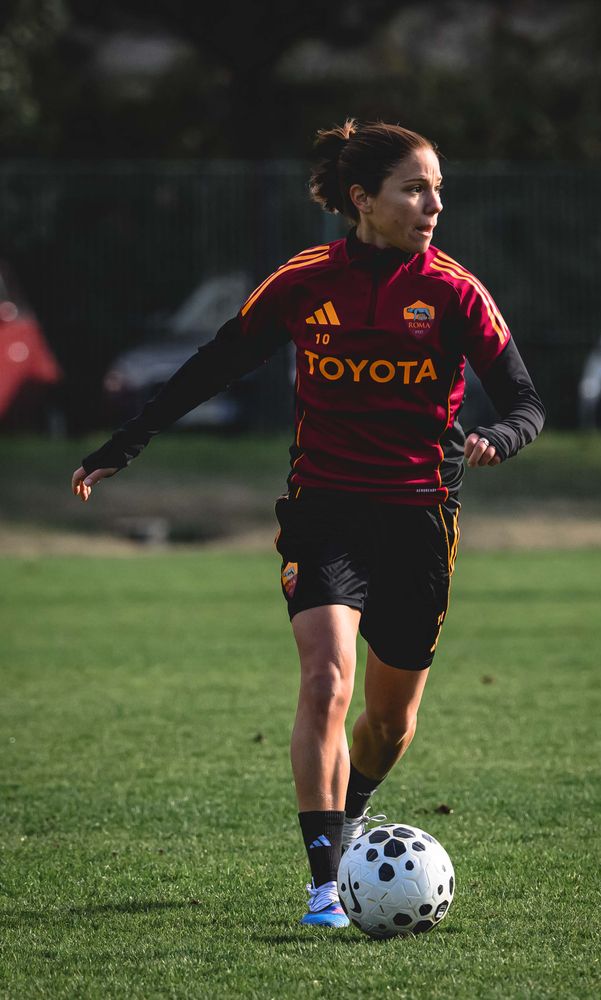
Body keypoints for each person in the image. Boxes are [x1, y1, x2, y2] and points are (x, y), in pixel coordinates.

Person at [71, 119, 545, 929]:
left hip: (420, 518)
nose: (433, 205)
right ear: (363, 199)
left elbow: (526, 400)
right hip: (324, 511)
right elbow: (215, 362)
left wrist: (500, 435)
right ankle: (324, 885)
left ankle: (352, 808)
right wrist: (126, 443)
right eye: (414, 189)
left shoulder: (454, 291)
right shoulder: (303, 280)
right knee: (326, 680)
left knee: (390, 723)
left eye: (436, 189)